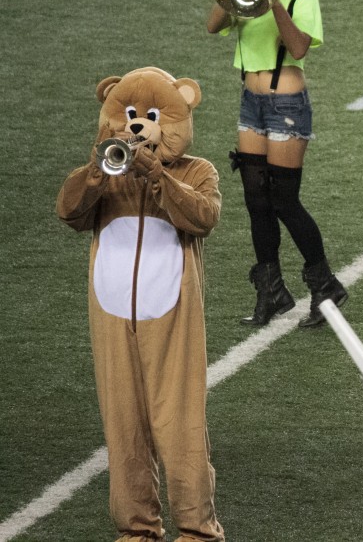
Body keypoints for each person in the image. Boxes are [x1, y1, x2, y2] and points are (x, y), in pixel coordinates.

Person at [57, 67, 224, 541]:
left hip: (172, 321)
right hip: (112, 319)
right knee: (124, 427)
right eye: (129, 116)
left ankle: (197, 530)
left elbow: (203, 216)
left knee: (181, 429)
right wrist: (95, 173)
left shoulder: (198, 170)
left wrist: (158, 177)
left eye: (150, 118)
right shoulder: (106, 172)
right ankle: (136, 530)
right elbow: (68, 212)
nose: (138, 127)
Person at [206, 0, 347, 328]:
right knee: (255, 200)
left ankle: (325, 286)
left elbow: (300, 46)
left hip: (286, 103)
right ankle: (272, 292)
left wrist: (272, 0)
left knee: (284, 200)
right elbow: (212, 26)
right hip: (251, 101)